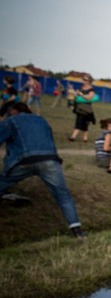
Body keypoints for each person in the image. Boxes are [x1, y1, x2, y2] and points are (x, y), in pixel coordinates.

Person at [0, 102, 86, 238]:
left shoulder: (11, 120)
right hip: (49, 159)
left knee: (4, 181)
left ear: (13, 110)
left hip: (23, 160)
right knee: (63, 195)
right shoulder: (41, 119)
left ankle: (4, 193)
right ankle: (77, 230)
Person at [69, 74, 99, 142]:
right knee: (83, 123)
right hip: (79, 107)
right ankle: (85, 138)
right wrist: (72, 92)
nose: (83, 81)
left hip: (86, 109)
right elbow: (76, 94)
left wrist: (81, 94)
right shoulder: (81, 87)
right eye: (83, 79)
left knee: (81, 122)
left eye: (85, 80)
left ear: (89, 81)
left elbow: (89, 98)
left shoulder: (91, 90)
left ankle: (73, 137)